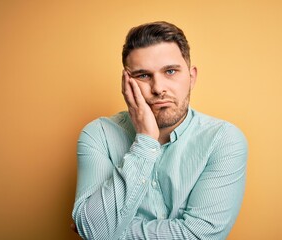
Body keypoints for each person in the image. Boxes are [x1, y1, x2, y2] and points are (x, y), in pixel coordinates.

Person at [72, 21, 248, 240]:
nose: (158, 88)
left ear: (191, 77)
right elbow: (95, 231)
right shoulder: (98, 135)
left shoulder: (223, 140)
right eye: (143, 75)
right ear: (126, 82)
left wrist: (109, 231)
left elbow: (200, 236)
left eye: (171, 71)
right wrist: (145, 140)